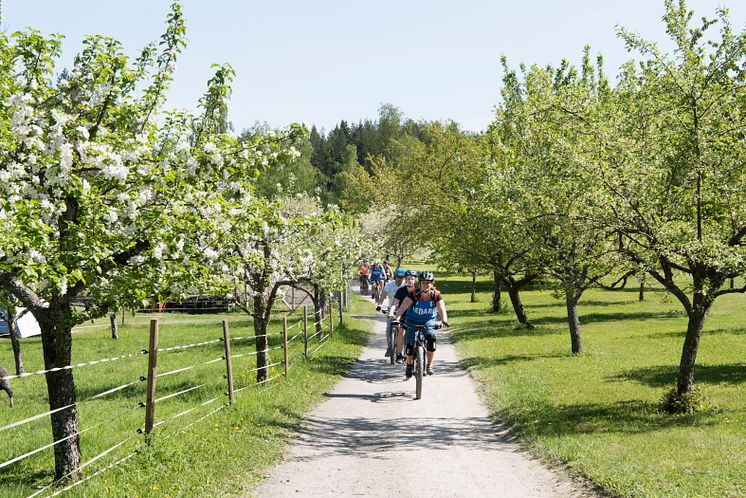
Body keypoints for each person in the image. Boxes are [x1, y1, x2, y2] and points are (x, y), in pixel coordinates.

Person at [394, 271, 449, 378]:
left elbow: (441, 308)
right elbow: (402, 308)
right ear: (420, 283)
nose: (425, 285)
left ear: (432, 283)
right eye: (423, 283)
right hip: (412, 321)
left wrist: (443, 321)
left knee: (431, 340)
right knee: (410, 345)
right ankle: (409, 365)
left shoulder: (436, 295)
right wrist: (397, 319)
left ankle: (429, 365)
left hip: (429, 321)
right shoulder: (414, 294)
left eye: (428, 282)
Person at [388, 269, 419, 364]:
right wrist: (391, 313)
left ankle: (418, 352)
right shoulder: (401, 291)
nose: (410, 281)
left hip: (416, 316)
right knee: (401, 331)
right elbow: (394, 303)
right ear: (405, 279)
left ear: (415, 280)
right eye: (408, 279)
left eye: (412, 279)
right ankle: (399, 354)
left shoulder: (419, 291)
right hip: (403, 316)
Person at [377, 268, 406, 359]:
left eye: (401, 277)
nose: (399, 279)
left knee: (405, 328)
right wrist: (380, 305)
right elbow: (383, 296)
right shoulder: (389, 285)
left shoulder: (406, 286)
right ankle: (390, 347)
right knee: (389, 328)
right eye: (398, 277)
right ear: (395, 277)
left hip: (403, 308)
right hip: (391, 309)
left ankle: (405, 348)